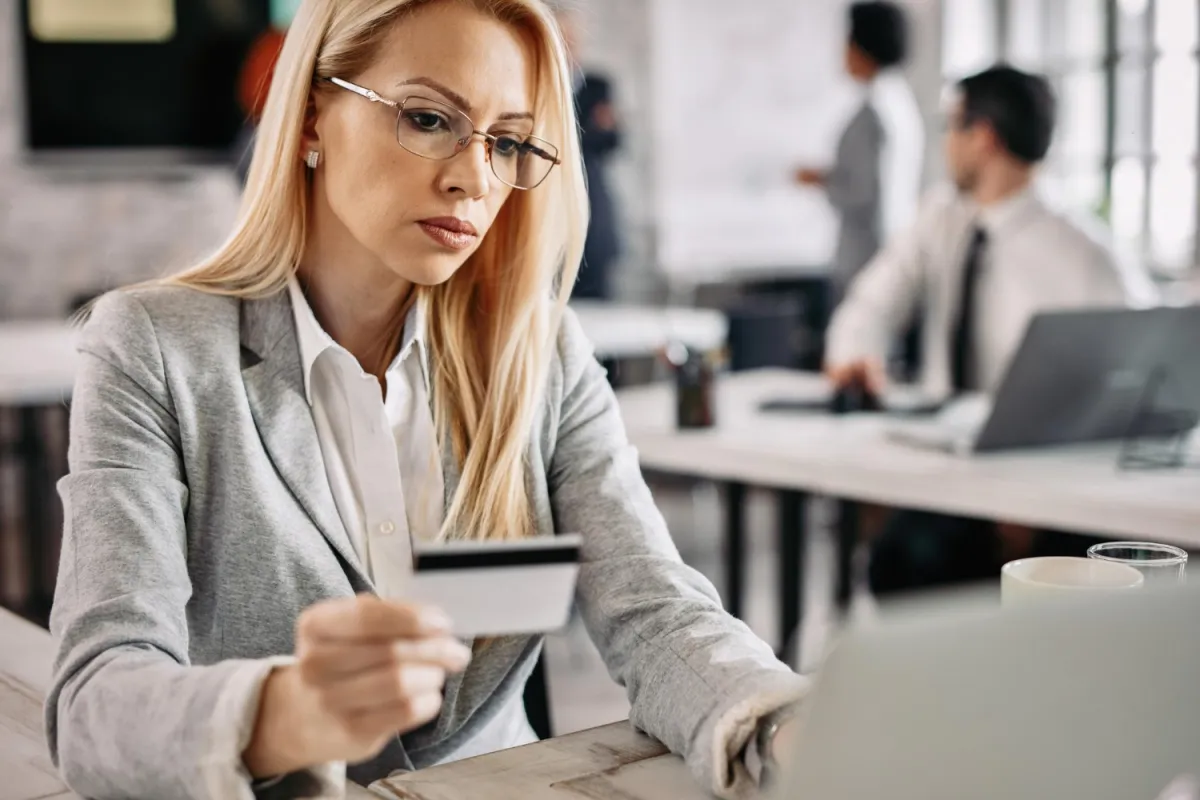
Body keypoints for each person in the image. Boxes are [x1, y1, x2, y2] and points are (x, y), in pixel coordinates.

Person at [44, 2, 807, 799]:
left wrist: (781, 726)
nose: (474, 178)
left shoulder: (538, 353)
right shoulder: (152, 347)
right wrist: (286, 712)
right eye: (429, 119)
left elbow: (654, 610)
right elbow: (97, 703)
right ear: (310, 119)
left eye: (506, 142)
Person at [825, 65, 1157, 596]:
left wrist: (1036, 495)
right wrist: (855, 354)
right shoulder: (941, 217)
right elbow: (871, 302)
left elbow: (1143, 380)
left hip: (1046, 483)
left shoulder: (1087, 257)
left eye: (951, 126)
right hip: (944, 465)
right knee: (897, 558)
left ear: (982, 137)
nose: (946, 144)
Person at [796, 1, 924, 304]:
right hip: (884, 253)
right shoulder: (898, 101)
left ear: (863, 45)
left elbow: (863, 192)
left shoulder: (875, 112)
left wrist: (822, 180)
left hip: (867, 260)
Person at [557, 8, 622, 300]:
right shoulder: (531, 85)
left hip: (593, 211)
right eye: (561, 40)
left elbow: (611, 140)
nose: (568, 48)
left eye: (572, 40)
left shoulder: (597, 86)